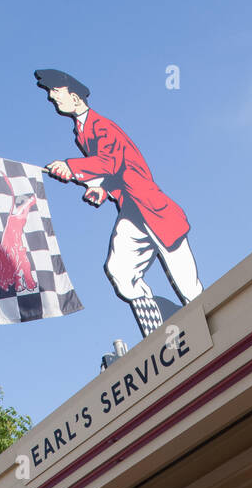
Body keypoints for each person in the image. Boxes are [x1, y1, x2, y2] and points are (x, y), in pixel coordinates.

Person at [35, 67, 202, 337]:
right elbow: (116, 170)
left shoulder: (101, 126)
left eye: (56, 92)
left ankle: (207, 322)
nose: (52, 98)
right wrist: (101, 189)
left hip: (154, 210)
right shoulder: (82, 130)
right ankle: (158, 326)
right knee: (121, 271)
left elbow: (110, 162)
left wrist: (70, 166)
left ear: (75, 97)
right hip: (133, 210)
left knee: (189, 286)